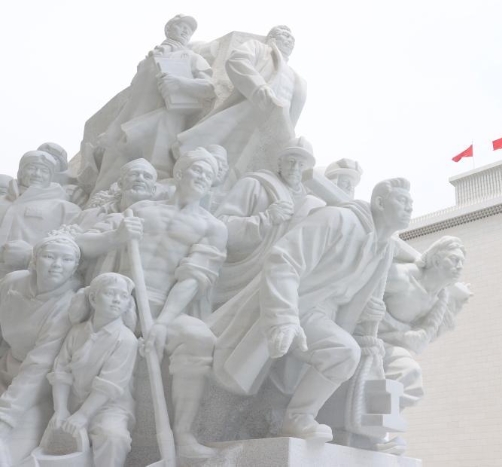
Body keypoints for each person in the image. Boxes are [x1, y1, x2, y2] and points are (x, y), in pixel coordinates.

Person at [208, 178, 413, 443]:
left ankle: (296, 419)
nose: (409, 208)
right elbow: (284, 260)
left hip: (324, 316)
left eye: (411, 203)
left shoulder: (384, 249)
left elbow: (347, 296)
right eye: (402, 201)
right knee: (342, 352)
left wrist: (367, 312)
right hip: (293, 303)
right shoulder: (337, 219)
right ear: (380, 203)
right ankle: (296, 418)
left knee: (345, 355)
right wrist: (284, 318)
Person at [76, 148, 227, 458]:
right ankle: (99, 423)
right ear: (180, 173)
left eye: (209, 175)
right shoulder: (141, 210)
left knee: (199, 338)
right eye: (197, 170)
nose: (202, 177)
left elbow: (193, 278)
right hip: (122, 300)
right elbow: (83, 244)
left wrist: (161, 323)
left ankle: (183, 434)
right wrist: (116, 236)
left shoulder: (213, 228)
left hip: (167, 306)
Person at [82, 15, 216, 194]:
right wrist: (112, 129)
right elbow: (133, 98)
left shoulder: (192, 57)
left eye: (189, 30)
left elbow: (209, 88)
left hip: (162, 122)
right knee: (106, 182)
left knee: (153, 176)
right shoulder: (145, 62)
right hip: (127, 125)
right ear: (168, 29)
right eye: (181, 26)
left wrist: (179, 83)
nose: (186, 31)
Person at [174, 25, 306, 178]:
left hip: (273, 126)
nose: (290, 40)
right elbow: (237, 60)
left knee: (253, 169)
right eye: (285, 35)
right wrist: (258, 88)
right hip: (249, 110)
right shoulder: (259, 48)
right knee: (226, 151)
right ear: (272, 38)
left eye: (292, 39)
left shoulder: (298, 80)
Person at [211, 136, 324, 306]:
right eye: (291, 161)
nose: (295, 168)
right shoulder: (254, 184)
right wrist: (266, 219)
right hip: (242, 272)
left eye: (301, 164)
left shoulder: (310, 202)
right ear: (279, 163)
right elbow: (218, 226)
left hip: (283, 277)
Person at [0, 235, 82, 463]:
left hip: (35, 389)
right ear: (34, 260)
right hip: (5, 365)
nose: (57, 265)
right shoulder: (11, 283)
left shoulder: (67, 305)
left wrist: (5, 419)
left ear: (75, 267)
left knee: (10, 449)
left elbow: (38, 367)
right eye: (49, 256)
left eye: (66, 260)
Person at [46, 273, 138, 467]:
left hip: (109, 407)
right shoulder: (76, 332)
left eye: (123, 296)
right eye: (110, 293)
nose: (117, 300)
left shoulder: (126, 339)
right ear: (93, 299)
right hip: (72, 402)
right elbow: (61, 373)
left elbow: (108, 386)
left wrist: (83, 415)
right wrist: (60, 409)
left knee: (113, 437)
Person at [381, 236, 467, 410]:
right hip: (364, 337)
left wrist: (457, 304)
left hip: (390, 345)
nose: (459, 267)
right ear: (435, 260)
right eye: (454, 259)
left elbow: (423, 338)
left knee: (411, 380)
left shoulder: (439, 298)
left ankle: (380, 421)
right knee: (407, 373)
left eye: (462, 262)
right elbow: (363, 291)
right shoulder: (401, 276)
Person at [0, 151, 81, 250]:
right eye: (31, 168)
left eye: (44, 171)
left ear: (51, 177)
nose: (37, 174)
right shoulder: (2, 201)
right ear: (20, 172)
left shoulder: (65, 209)